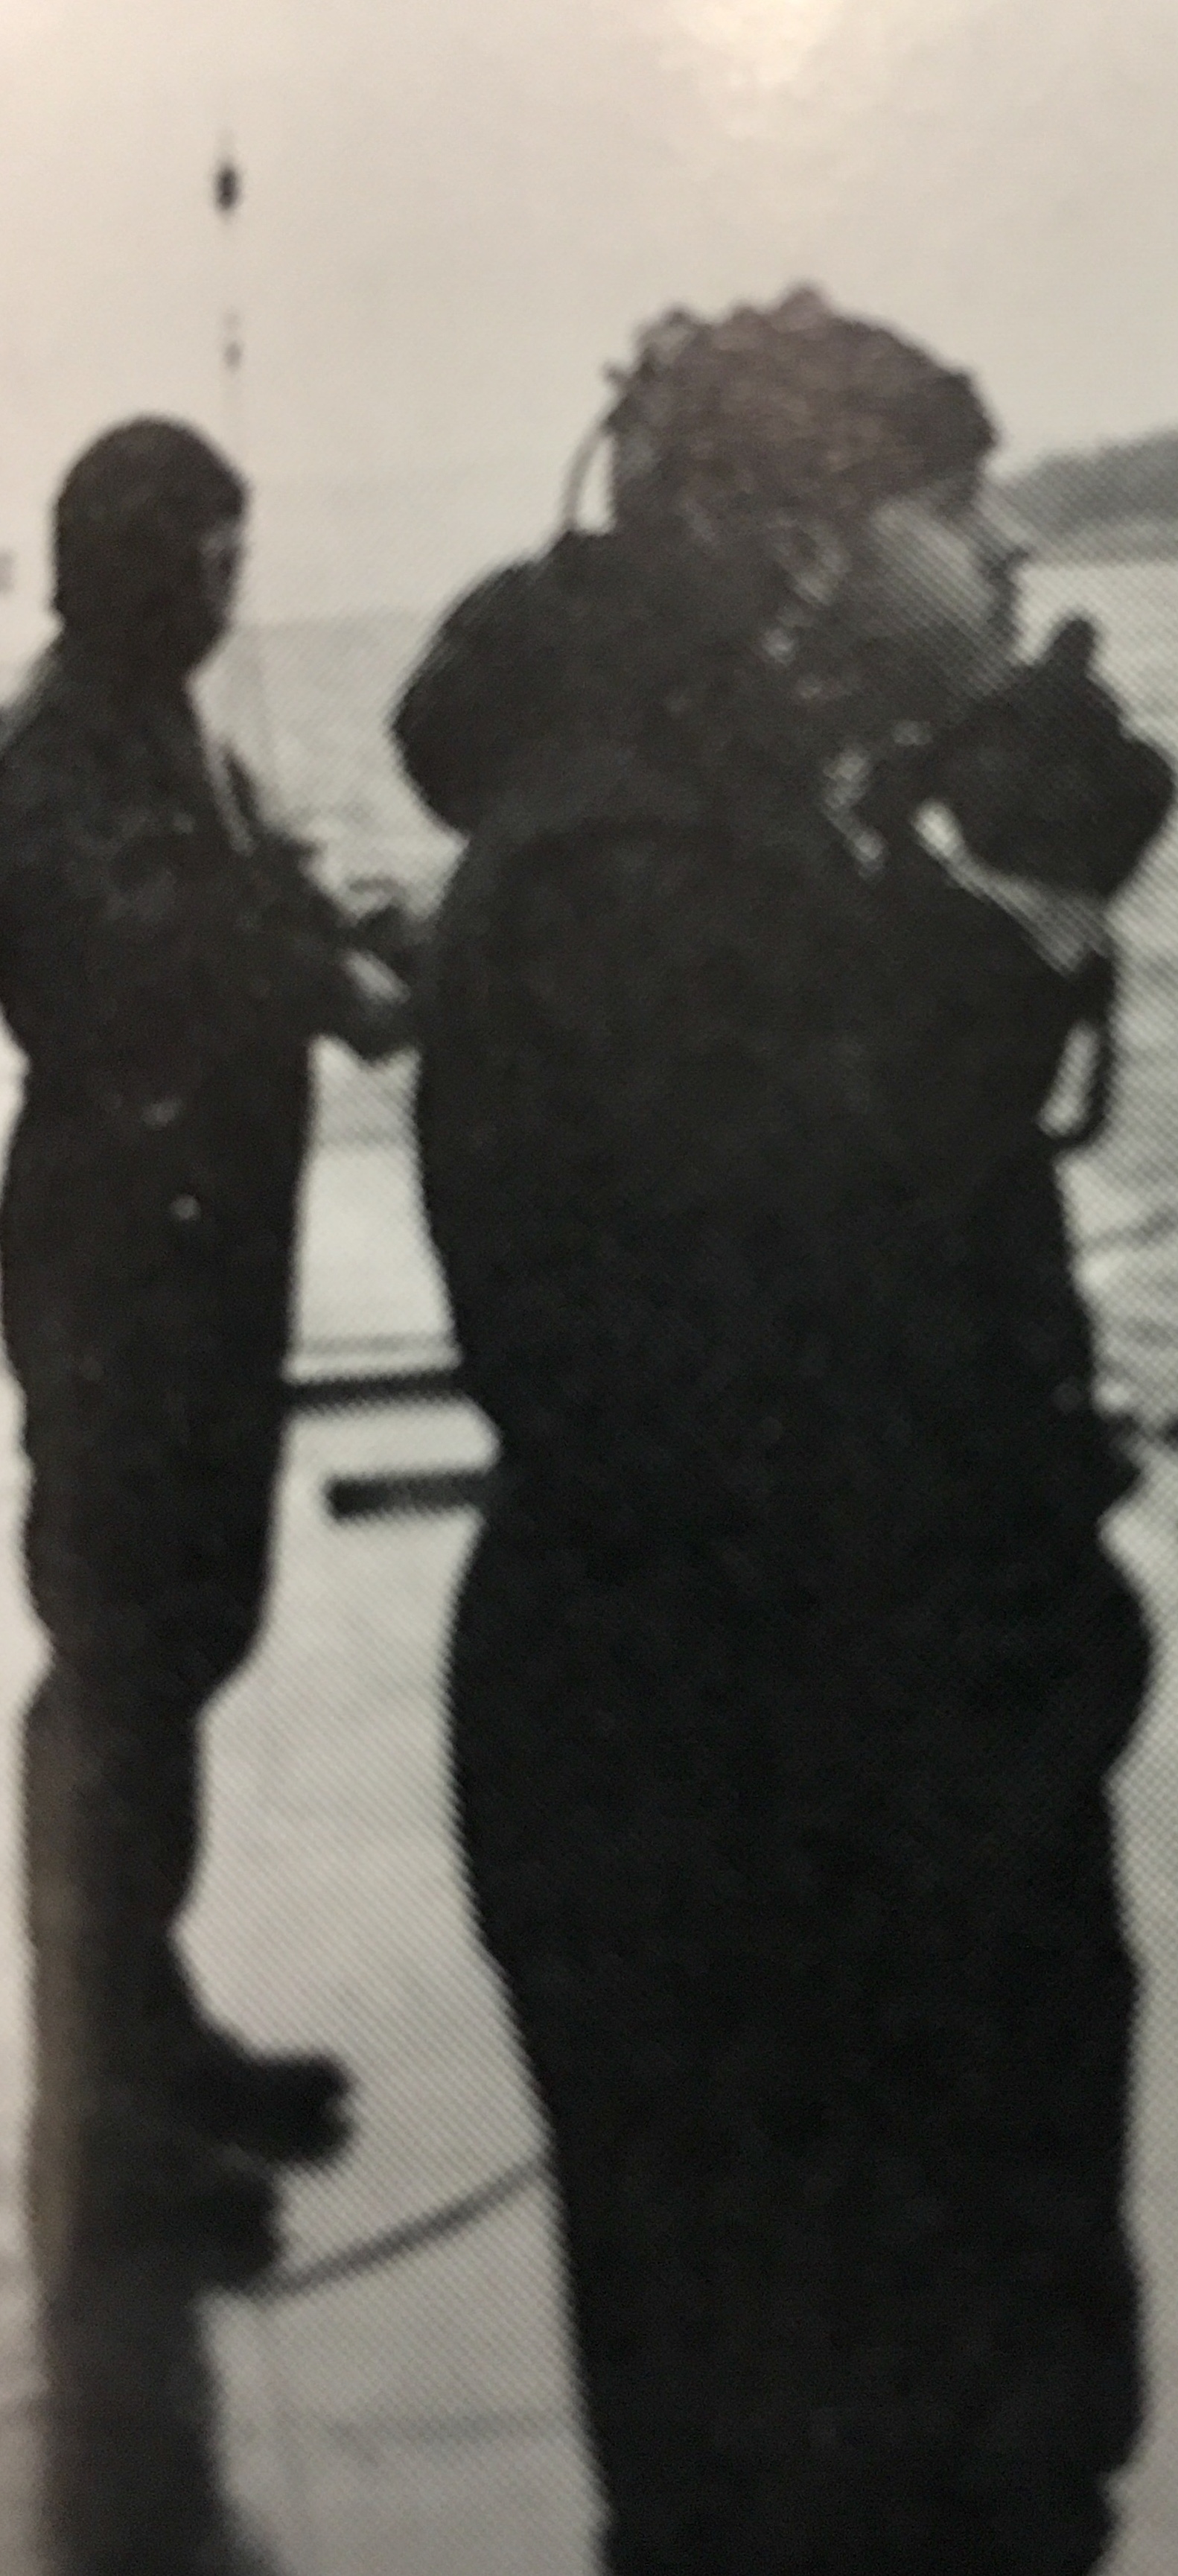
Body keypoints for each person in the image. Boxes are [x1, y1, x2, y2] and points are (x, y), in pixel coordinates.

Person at [393, 287, 1177, 2575]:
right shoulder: (623, 868)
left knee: (978, 2437)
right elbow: (786, 1305)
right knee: (798, 2476)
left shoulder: (761, 821)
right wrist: (1020, 925)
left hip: (860, 1778)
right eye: (955, 503)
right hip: (749, 1805)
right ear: (813, 548)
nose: (1008, 550)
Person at [0, 420, 413, 2273]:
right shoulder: (51, 756)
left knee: (181, 1637)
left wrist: (368, 927)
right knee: (121, 1664)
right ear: (123, 562)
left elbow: (263, 884)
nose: (228, 595)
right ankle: (100, 2116)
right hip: (120, 1262)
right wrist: (340, 981)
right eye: (207, 558)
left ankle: (144, 2021)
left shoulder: (155, 729)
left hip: (202, 1251)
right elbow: (148, 963)